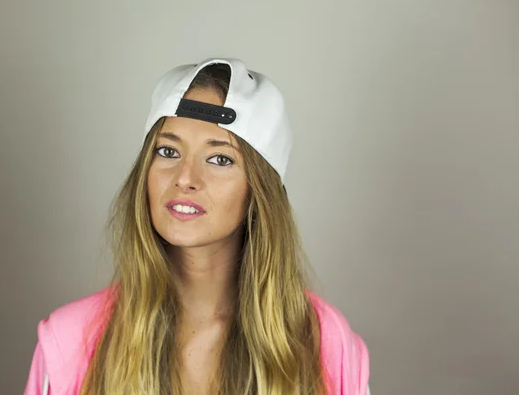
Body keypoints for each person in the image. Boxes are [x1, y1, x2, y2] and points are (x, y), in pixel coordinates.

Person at [24, 58, 370, 395]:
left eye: (220, 159)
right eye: (168, 152)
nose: (186, 178)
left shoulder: (325, 342)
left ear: (259, 190)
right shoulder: (69, 340)